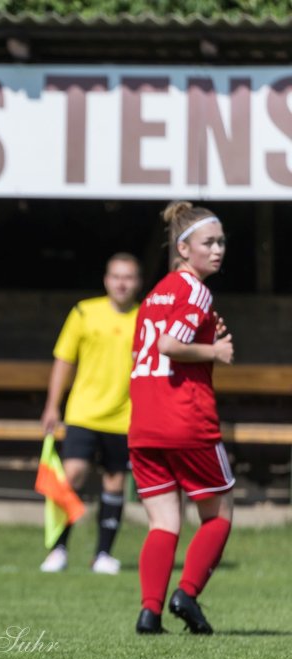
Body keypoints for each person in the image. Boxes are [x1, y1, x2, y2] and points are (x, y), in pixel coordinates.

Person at [129, 201, 235, 636]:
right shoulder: (196, 291)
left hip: (145, 423)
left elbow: (156, 345)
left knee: (164, 521)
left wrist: (207, 333)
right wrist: (215, 351)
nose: (218, 250)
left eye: (222, 241)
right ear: (183, 247)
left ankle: (150, 612)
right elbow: (171, 346)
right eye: (209, 242)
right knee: (220, 513)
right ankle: (186, 594)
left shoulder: (156, 294)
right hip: (185, 420)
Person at [39, 253, 141, 575]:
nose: (122, 283)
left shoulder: (146, 318)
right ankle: (58, 549)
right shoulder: (85, 312)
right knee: (72, 476)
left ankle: (103, 555)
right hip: (83, 412)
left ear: (138, 283)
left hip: (124, 416)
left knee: (114, 482)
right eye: (116, 276)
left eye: (128, 277)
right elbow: (63, 359)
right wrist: (53, 405)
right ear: (106, 279)